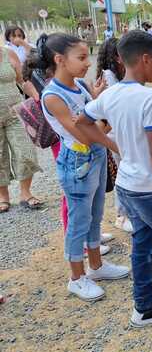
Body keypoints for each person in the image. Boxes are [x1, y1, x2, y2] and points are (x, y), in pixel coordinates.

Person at [79, 30, 152, 338]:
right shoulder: (149, 98)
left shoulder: (110, 94)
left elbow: (81, 121)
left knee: (143, 243)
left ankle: (144, 306)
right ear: (144, 59)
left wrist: (113, 145)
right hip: (149, 188)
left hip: (126, 186)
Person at [39, 33, 129, 301]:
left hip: (96, 156)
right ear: (59, 60)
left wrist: (97, 105)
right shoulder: (53, 96)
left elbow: (92, 122)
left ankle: (96, 266)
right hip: (78, 161)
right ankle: (76, 278)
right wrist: (109, 136)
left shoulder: (79, 84)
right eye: (81, 57)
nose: (88, 63)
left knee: (95, 215)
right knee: (79, 220)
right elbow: (83, 134)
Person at [95, 37, 134, 233]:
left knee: (123, 171)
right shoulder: (109, 75)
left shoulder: (114, 74)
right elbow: (117, 104)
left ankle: (127, 212)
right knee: (121, 174)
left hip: (119, 131)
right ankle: (121, 215)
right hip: (113, 133)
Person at [0, 47, 42, 213]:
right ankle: (3, 196)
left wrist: (36, 97)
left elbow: (22, 80)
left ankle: (25, 193)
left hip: (15, 113)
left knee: (25, 151)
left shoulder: (7, 53)